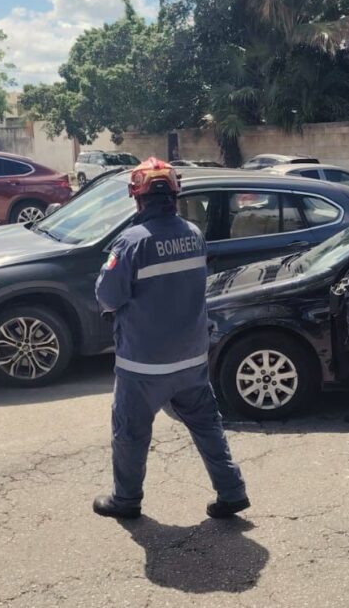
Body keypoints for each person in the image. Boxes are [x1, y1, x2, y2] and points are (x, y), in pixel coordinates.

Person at [93, 157, 249, 519]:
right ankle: (232, 491)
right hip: (192, 358)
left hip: (143, 364)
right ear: (175, 196)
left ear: (138, 198)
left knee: (130, 433)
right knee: (207, 425)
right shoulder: (193, 234)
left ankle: (126, 500)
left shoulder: (130, 243)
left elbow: (108, 297)